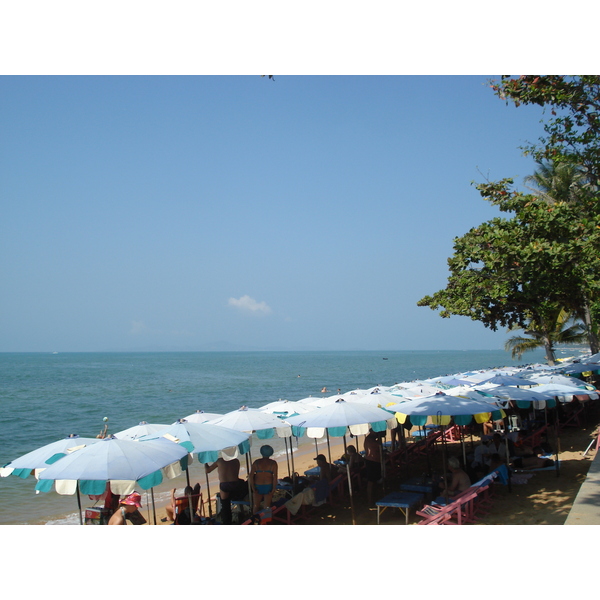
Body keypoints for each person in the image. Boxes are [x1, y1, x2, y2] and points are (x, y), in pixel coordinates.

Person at [205, 457, 248, 524]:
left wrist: (205, 462)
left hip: (224, 485)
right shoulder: (236, 461)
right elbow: (235, 473)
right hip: (235, 485)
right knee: (242, 484)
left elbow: (207, 471)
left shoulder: (220, 461)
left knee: (225, 504)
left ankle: (227, 522)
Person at [250, 445, 278, 513]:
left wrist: (253, 488)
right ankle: (266, 521)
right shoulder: (273, 463)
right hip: (268, 486)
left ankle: (255, 521)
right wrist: (273, 489)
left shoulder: (256, 462)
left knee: (256, 506)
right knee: (267, 507)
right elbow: (275, 477)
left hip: (258, 486)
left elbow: (251, 477)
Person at [364, 430, 384, 505]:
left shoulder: (372, 439)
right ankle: (370, 500)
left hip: (375, 462)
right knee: (371, 481)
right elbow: (377, 447)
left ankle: (374, 496)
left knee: (375, 481)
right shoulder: (369, 439)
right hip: (372, 462)